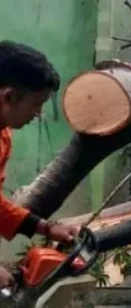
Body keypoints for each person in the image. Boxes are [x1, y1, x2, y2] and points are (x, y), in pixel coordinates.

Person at [0, 41, 79, 289]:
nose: (38, 113)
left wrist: (46, 228)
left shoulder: (3, 136)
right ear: (9, 96)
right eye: (37, 103)